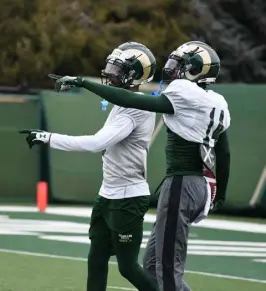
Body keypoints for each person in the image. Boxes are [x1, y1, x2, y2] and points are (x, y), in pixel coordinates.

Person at [47, 40, 231, 291]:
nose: (172, 69)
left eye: (180, 65)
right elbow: (224, 151)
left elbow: (135, 102)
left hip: (182, 182)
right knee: (153, 264)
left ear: (196, 69)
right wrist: (219, 193)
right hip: (199, 184)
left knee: (166, 268)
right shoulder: (216, 101)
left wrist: (83, 82)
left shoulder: (186, 93)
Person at [19, 41, 159, 291]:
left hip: (129, 196)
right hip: (108, 194)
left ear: (134, 74)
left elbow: (97, 143)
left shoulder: (137, 107)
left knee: (128, 268)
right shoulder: (122, 102)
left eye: (118, 69)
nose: (110, 73)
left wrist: (48, 137)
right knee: (96, 259)